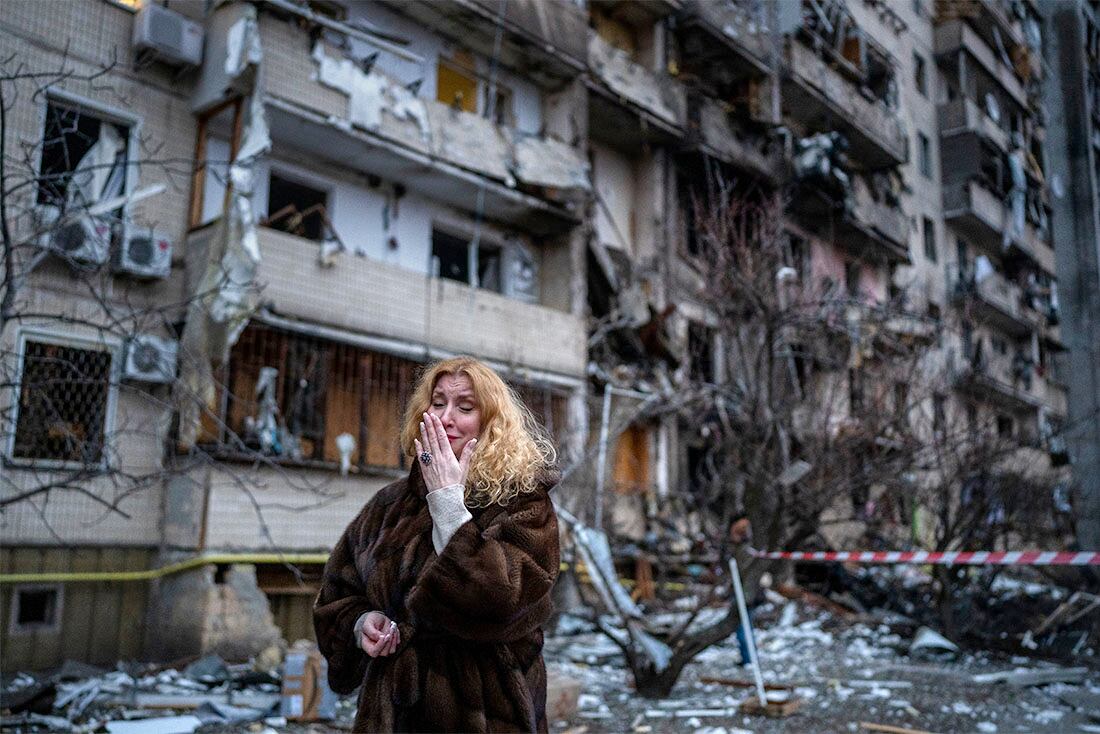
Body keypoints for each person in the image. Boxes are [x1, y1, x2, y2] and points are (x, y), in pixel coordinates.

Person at [313, 356, 560, 733]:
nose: (446, 418)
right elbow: (337, 594)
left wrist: (447, 503)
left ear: (492, 421)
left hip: (487, 712)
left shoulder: (524, 502)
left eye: (465, 407)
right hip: (392, 715)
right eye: (438, 402)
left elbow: (504, 599)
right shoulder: (390, 504)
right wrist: (362, 624)